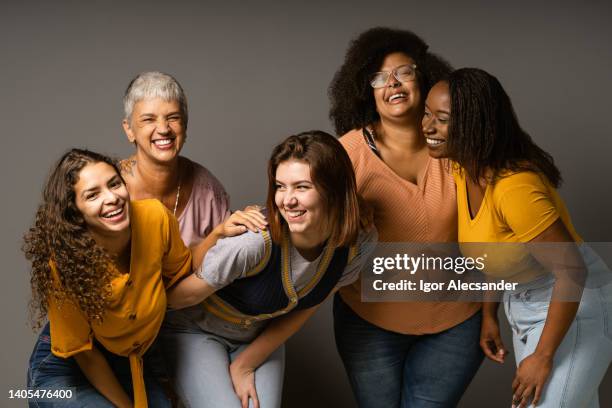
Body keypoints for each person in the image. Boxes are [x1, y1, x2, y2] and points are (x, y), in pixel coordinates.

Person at [422, 67, 612, 407]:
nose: (427, 126)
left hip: (574, 304)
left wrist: (542, 356)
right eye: (426, 113)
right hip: (525, 306)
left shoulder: (515, 188)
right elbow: (496, 251)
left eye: (442, 119)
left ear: (473, 126)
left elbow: (572, 272)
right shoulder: (463, 168)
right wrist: (489, 315)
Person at [24, 149, 260, 407]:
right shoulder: (64, 262)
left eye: (114, 184)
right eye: (93, 195)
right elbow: (86, 356)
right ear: (75, 212)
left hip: (131, 360)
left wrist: (218, 234)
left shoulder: (155, 218)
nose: (112, 198)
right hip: (67, 369)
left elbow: (181, 272)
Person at [162, 131, 377, 408]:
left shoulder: (358, 242)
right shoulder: (253, 243)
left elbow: (306, 308)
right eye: (280, 186)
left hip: (258, 337)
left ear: (333, 190)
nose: (287, 200)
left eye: (301, 187)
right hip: (195, 331)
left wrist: (245, 365)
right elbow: (180, 299)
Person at [329, 27, 483, 407]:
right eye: (380, 77)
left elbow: (495, 228)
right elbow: (309, 226)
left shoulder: (461, 146)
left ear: (425, 77)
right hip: (369, 324)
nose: (393, 84)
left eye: (404, 72)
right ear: (365, 89)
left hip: (457, 322)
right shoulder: (344, 154)